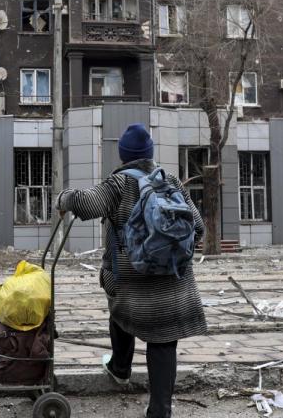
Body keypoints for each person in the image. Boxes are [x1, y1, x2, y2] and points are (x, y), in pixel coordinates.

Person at [56, 123, 207, 418]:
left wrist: (63, 198)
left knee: (119, 311)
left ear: (123, 155)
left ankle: (120, 368)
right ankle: (160, 410)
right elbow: (198, 228)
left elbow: (86, 204)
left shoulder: (120, 183)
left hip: (132, 283)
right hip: (175, 282)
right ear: (150, 154)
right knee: (163, 341)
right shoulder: (170, 181)